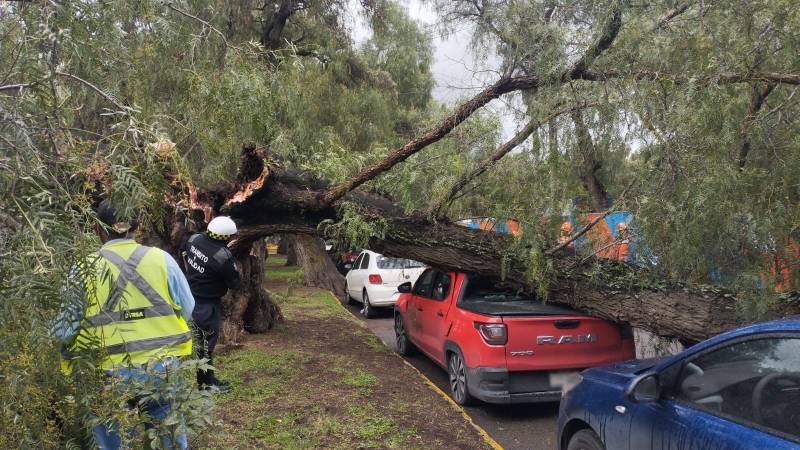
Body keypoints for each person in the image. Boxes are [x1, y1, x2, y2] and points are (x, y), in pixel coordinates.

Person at [52, 199, 195, 449]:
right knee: (168, 436)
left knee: (109, 439)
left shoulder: (83, 268)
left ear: (98, 228)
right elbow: (188, 307)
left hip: (105, 373)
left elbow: (65, 329)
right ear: (136, 227)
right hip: (161, 367)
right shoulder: (162, 259)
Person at [182, 216, 240, 392]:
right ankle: (206, 384)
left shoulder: (194, 239)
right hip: (206, 305)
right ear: (226, 237)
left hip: (189, 297)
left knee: (200, 342)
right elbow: (235, 283)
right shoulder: (222, 256)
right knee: (206, 345)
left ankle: (208, 379)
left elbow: (183, 252)